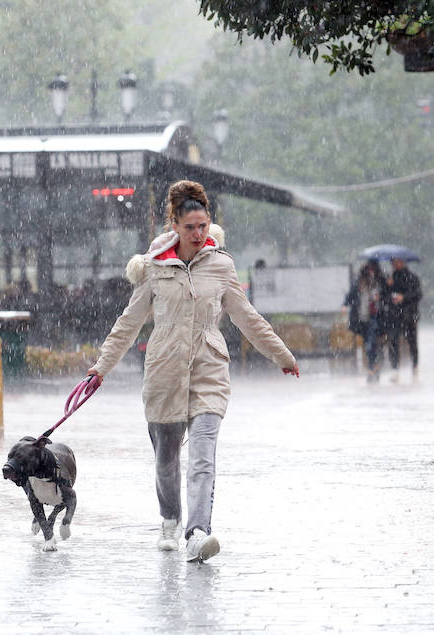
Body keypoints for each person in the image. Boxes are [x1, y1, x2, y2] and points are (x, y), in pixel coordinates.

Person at [87, 180, 299, 563]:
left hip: (209, 369)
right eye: (190, 228)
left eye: (204, 226)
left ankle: (197, 532)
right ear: (175, 225)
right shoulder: (154, 268)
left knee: (202, 454)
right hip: (164, 370)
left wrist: (282, 355)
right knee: (166, 460)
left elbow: (245, 316)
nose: (199, 234)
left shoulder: (221, 265)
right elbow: (129, 322)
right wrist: (100, 368)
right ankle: (170, 519)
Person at [344, 259, 389, 383]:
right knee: (368, 345)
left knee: (371, 344)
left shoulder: (381, 281)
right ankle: (374, 367)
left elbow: (387, 295)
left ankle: (372, 368)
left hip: (376, 317)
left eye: (373, 269)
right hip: (362, 318)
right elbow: (351, 295)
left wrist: (380, 297)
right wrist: (345, 304)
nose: (371, 271)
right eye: (369, 269)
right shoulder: (359, 282)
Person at [386, 257, 422, 382]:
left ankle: (415, 368)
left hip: (410, 315)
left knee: (412, 343)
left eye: (397, 261)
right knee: (393, 341)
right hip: (394, 316)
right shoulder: (390, 278)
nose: (395, 264)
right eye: (393, 262)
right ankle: (395, 370)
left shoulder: (412, 277)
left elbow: (418, 294)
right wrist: (389, 287)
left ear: (403, 262)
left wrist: (404, 297)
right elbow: (386, 296)